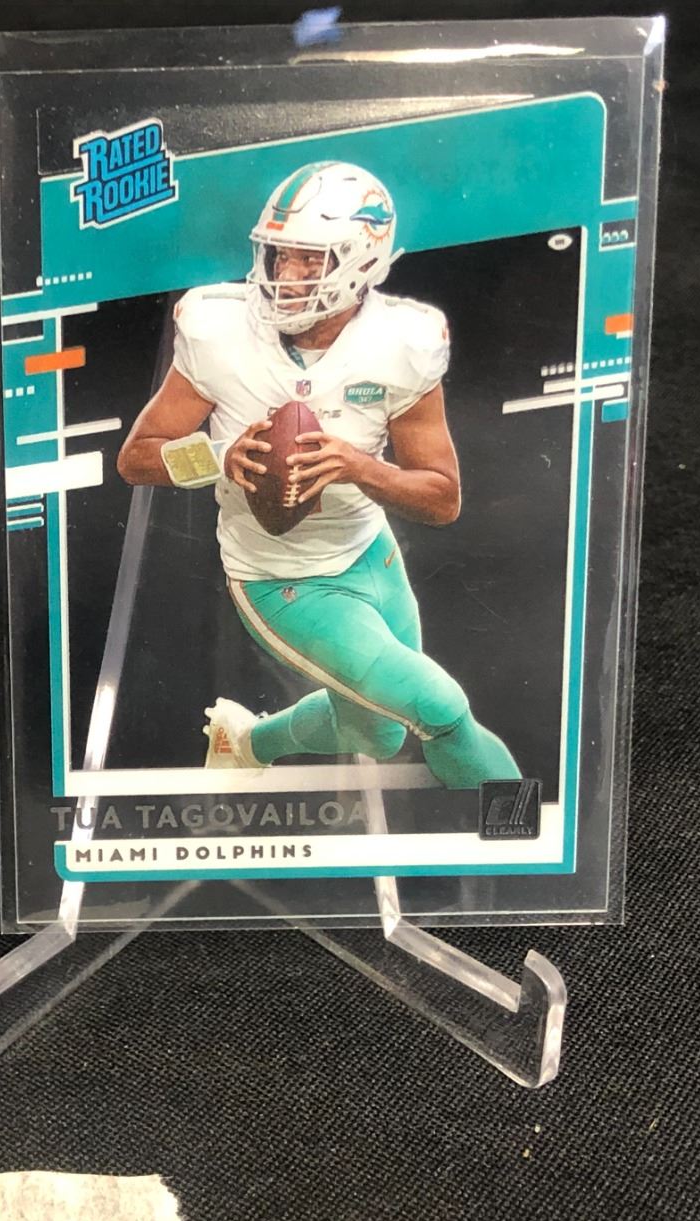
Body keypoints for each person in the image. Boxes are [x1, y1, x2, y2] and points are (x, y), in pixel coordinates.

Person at [115, 161, 519, 790]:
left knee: (379, 734)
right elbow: (137, 457)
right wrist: (218, 456)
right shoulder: (220, 330)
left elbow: (441, 499)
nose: (287, 276)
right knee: (439, 708)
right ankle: (524, 836)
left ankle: (246, 742)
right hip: (281, 580)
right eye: (279, 255)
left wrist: (357, 466)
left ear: (362, 260)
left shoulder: (401, 342)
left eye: (310, 260)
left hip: (370, 554)